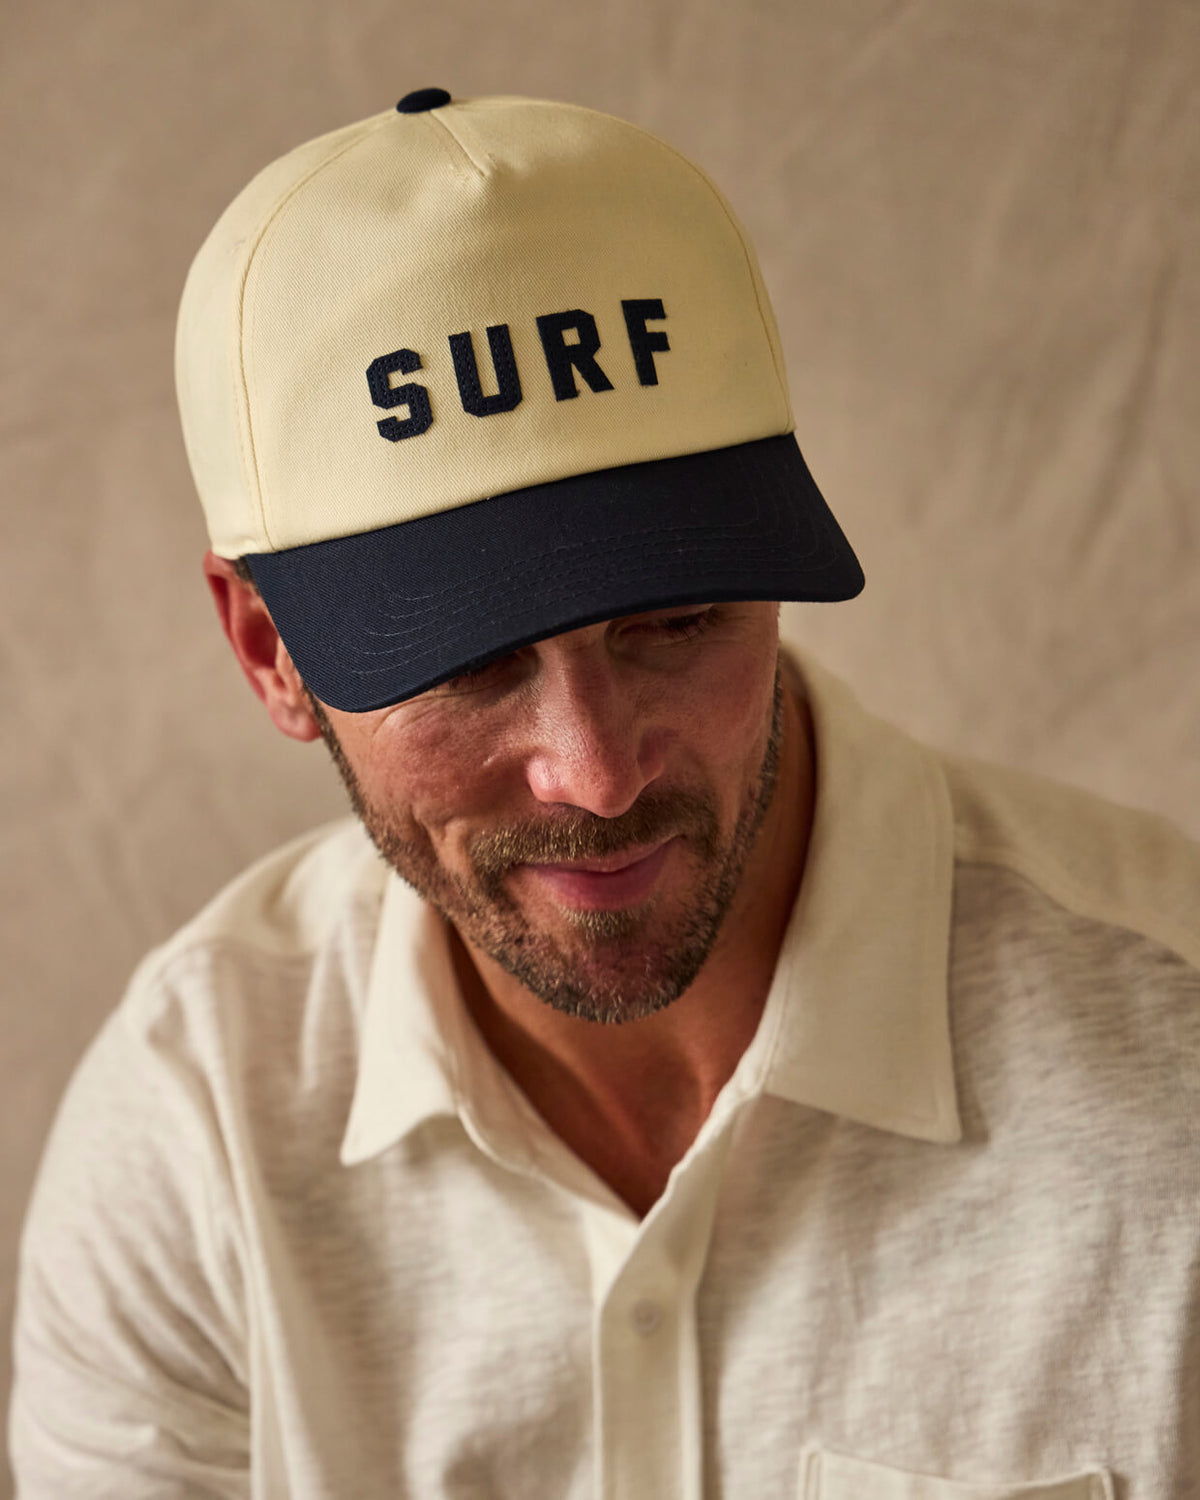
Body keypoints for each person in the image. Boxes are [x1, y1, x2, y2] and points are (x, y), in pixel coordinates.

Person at [9, 89, 1199, 1499]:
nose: (597, 770)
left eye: (675, 622)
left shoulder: (1170, 1053)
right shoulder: (191, 1142)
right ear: (270, 652)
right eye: (473, 662)